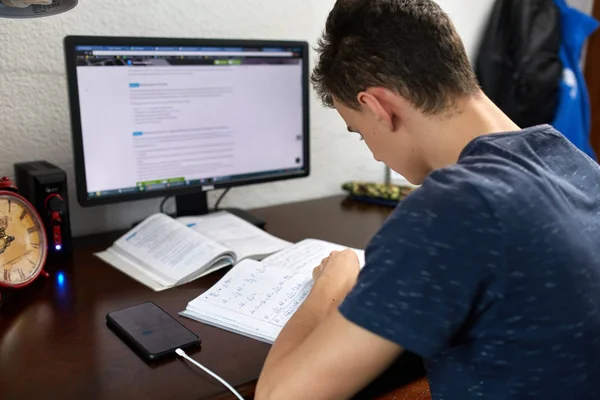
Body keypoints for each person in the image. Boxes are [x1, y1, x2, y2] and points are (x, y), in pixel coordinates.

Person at [254, 0, 600, 399]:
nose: (374, 154)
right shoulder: (572, 159)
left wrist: (332, 283)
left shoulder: (456, 207)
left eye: (358, 131)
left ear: (377, 107)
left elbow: (279, 395)